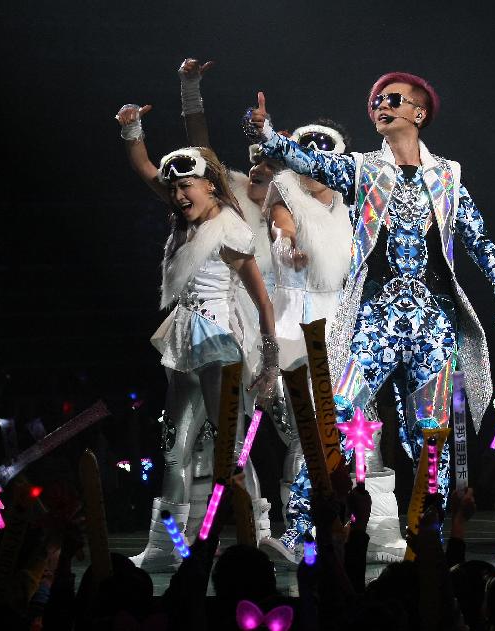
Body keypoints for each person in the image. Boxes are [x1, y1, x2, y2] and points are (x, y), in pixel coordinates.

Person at [244, 71, 495, 561]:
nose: (381, 106)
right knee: (341, 414)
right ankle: (301, 529)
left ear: (420, 112)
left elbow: (476, 236)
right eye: (375, 101)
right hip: (378, 319)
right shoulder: (364, 169)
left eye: (394, 99)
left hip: (433, 323)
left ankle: (432, 537)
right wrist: (268, 136)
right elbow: (310, 161)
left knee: (429, 433)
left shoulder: (448, 175)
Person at [115, 103, 278, 571]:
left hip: (218, 346)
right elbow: (146, 168)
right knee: (173, 449)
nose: (179, 194)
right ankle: (168, 545)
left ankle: (255, 534)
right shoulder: (184, 218)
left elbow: (263, 301)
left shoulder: (229, 230)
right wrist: (132, 128)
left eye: (187, 185)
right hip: (184, 344)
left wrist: (268, 362)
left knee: (231, 447)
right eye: (175, 188)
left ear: (210, 183)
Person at [177, 57, 284, 547]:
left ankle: (275, 527)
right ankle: (235, 530)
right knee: (223, 436)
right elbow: (199, 148)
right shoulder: (233, 194)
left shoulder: (294, 203)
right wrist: (190, 89)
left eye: (270, 158)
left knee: (281, 434)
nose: (260, 164)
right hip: (234, 318)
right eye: (256, 156)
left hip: (287, 320)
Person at [259, 119, 355, 561]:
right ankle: (299, 532)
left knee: (342, 427)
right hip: (296, 315)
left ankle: (341, 524)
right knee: (304, 428)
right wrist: (287, 247)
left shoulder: (347, 196)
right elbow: (283, 230)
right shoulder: (284, 187)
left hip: (341, 315)